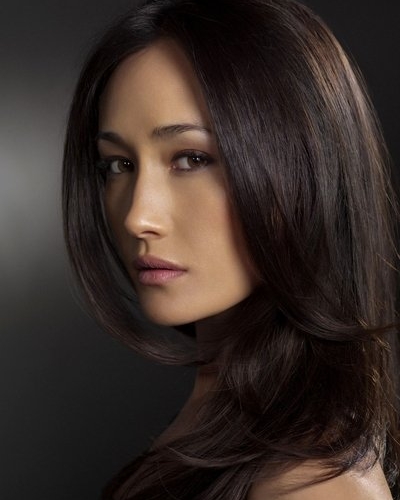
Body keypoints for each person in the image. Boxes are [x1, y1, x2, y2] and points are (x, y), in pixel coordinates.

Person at [62, 0, 400, 498]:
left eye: (191, 158)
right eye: (118, 165)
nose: (138, 216)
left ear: (303, 170)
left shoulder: (307, 486)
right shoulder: (220, 411)